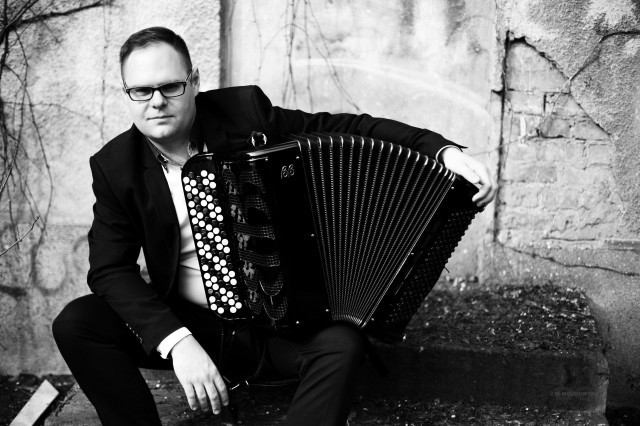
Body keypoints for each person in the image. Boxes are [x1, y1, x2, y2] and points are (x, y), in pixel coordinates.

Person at [52, 26, 497, 425]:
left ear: (195, 82)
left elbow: (348, 126)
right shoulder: (116, 166)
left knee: (342, 345)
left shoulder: (245, 114)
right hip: (195, 326)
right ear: (127, 93)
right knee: (77, 323)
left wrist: (442, 150)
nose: (156, 101)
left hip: (278, 324)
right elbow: (109, 269)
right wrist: (178, 341)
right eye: (141, 90)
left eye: (170, 86)